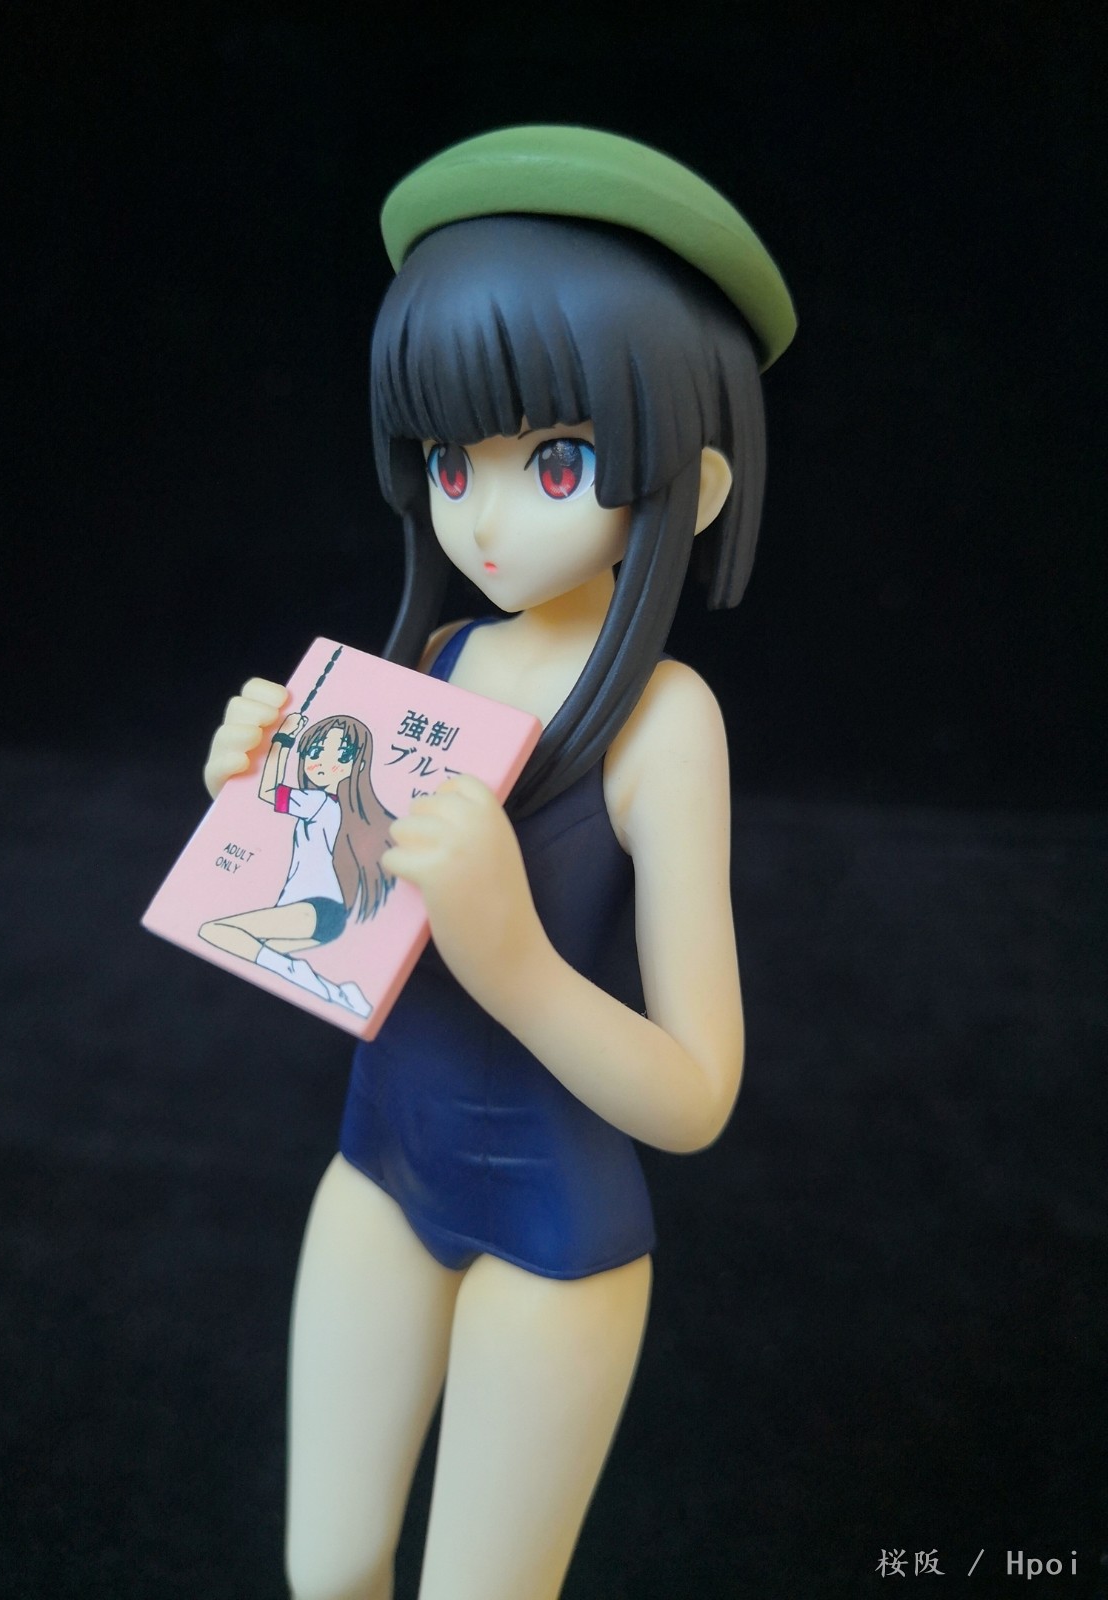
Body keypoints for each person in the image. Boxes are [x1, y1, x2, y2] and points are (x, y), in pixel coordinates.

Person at [202, 126, 795, 1600]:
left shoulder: (664, 725)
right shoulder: (437, 659)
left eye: (559, 461)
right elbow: (335, 904)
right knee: (330, 1564)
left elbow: (698, 1093)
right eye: (449, 460)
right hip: (376, 1172)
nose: (477, 510)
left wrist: (512, 955)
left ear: (692, 482)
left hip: (556, 1232)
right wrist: (263, 796)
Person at [199, 712, 394, 1019]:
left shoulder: (319, 802)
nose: (323, 763)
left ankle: (300, 972)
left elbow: (268, 791)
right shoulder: (337, 809)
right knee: (255, 955)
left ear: (356, 765)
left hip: (312, 910)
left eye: (341, 756)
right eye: (316, 751)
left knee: (216, 930)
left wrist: (282, 740)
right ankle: (340, 993)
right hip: (327, 916)